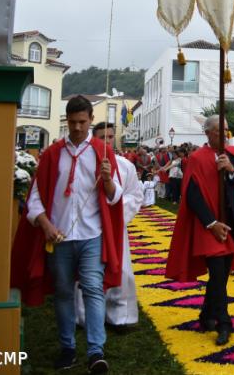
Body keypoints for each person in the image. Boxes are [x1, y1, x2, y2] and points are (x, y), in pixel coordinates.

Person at [10, 96, 124, 373]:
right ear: (67, 121)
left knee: (93, 289)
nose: (77, 127)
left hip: (91, 235)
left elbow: (115, 197)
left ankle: (96, 352)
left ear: (91, 120)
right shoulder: (52, 154)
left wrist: (107, 180)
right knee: (62, 292)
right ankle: (68, 347)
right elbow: (35, 198)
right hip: (58, 236)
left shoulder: (102, 152)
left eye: (82, 122)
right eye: (72, 122)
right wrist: (45, 225)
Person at [166, 115, 234, 346]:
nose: (224, 134)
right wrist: (212, 224)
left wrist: (231, 169)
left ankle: (206, 315)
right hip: (210, 227)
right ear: (207, 133)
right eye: (219, 130)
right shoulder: (197, 158)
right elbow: (192, 195)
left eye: (226, 130)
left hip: (232, 225)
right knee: (217, 274)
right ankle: (224, 323)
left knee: (221, 277)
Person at [75, 122, 144, 329]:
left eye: (110, 137)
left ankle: (120, 315)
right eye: (102, 137)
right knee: (87, 270)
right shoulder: (83, 163)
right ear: (93, 138)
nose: (106, 141)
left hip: (115, 228)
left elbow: (135, 195)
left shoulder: (125, 166)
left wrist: (115, 214)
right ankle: (85, 315)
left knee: (120, 269)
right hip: (89, 226)